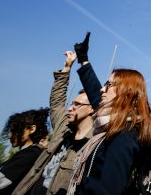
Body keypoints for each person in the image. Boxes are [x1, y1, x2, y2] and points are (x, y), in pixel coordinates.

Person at [67, 32, 151, 195]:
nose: (102, 89)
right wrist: (83, 59)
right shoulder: (112, 124)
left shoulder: (124, 137)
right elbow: (97, 95)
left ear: (126, 92)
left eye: (108, 85)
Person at [12, 50, 94, 195]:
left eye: (76, 104)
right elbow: (57, 102)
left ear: (91, 109)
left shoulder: (92, 145)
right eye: (72, 103)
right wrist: (66, 69)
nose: (70, 107)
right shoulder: (64, 127)